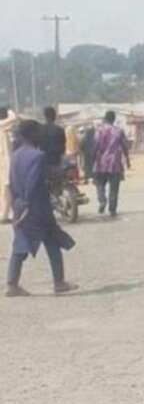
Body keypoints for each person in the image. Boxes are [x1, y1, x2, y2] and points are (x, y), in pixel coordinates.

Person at [6, 120, 77, 297]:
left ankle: (12, 284)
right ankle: (59, 282)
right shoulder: (37, 156)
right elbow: (35, 181)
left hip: (20, 206)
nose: (41, 135)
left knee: (21, 245)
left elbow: (12, 184)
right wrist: (63, 170)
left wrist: (19, 207)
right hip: (38, 208)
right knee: (51, 243)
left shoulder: (16, 155)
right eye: (38, 132)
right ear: (31, 135)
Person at [93, 111, 131, 217]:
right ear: (114, 119)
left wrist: (92, 160)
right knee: (114, 188)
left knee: (99, 184)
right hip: (114, 163)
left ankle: (102, 201)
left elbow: (95, 146)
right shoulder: (118, 131)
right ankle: (112, 209)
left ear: (105, 119)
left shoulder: (99, 131)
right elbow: (124, 146)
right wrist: (127, 160)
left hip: (100, 163)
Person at [0, 107, 18, 223]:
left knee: (6, 189)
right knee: (6, 189)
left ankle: (7, 213)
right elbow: (14, 118)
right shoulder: (1, 125)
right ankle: (5, 214)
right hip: (5, 162)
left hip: (5, 162)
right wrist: (10, 111)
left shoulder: (4, 129)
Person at [40, 107, 66, 176]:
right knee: (58, 184)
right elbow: (63, 148)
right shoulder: (60, 130)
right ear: (55, 116)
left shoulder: (39, 130)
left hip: (43, 163)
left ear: (44, 116)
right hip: (56, 162)